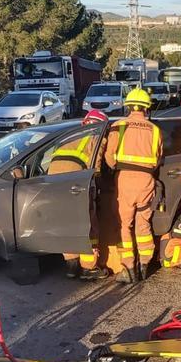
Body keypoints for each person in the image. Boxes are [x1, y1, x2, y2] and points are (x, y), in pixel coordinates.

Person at [104, 88, 163, 283]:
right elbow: (158, 158)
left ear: (128, 106)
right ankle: (145, 264)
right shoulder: (155, 130)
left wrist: (115, 169)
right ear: (146, 108)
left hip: (125, 180)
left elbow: (109, 156)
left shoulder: (119, 126)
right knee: (143, 223)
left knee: (124, 225)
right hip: (146, 181)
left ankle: (129, 268)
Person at [62, 109, 110, 280]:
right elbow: (96, 166)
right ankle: (89, 268)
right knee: (89, 225)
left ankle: (71, 265)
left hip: (55, 185)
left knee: (67, 224)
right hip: (78, 185)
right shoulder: (96, 138)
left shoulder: (70, 136)